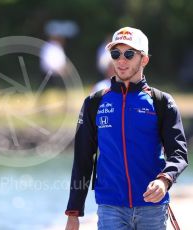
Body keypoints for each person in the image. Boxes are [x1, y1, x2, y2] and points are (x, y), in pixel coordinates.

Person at [65, 27, 188, 230]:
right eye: (116, 54)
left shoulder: (161, 102)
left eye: (129, 54)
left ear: (144, 59)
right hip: (110, 208)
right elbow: (82, 159)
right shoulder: (94, 102)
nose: (121, 60)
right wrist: (73, 212)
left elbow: (179, 153)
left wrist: (165, 180)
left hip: (152, 208)